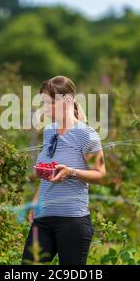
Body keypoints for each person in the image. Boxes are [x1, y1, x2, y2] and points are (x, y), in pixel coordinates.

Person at [21, 75, 106, 265]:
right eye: (43, 103)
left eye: (50, 104)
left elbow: (101, 175)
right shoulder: (49, 131)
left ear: (67, 102)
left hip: (73, 221)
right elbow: (47, 172)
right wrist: (36, 200)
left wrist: (71, 172)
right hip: (44, 218)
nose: (45, 109)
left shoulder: (86, 135)